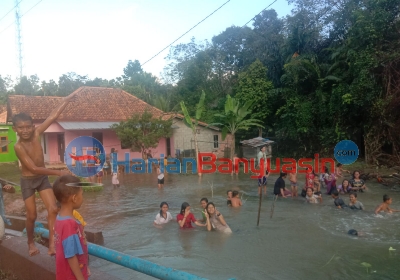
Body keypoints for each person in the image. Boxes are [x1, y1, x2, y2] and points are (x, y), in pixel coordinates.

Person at [12, 94, 76, 256]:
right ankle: (30, 242)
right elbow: (33, 168)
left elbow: (53, 116)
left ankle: (53, 245)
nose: (25, 130)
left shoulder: (37, 133)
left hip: (41, 179)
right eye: (21, 128)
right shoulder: (18, 147)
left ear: (33, 126)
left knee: (53, 209)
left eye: (28, 126)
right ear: (15, 129)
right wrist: (57, 172)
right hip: (28, 181)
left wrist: (65, 101)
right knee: (32, 215)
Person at [53, 175, 89, 280]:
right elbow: (71, 255)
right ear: (74, 198)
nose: (83, 197)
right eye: (81, 194)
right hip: (72, 276)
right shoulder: (69, 224)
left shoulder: (60, 218)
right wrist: (80, 278)